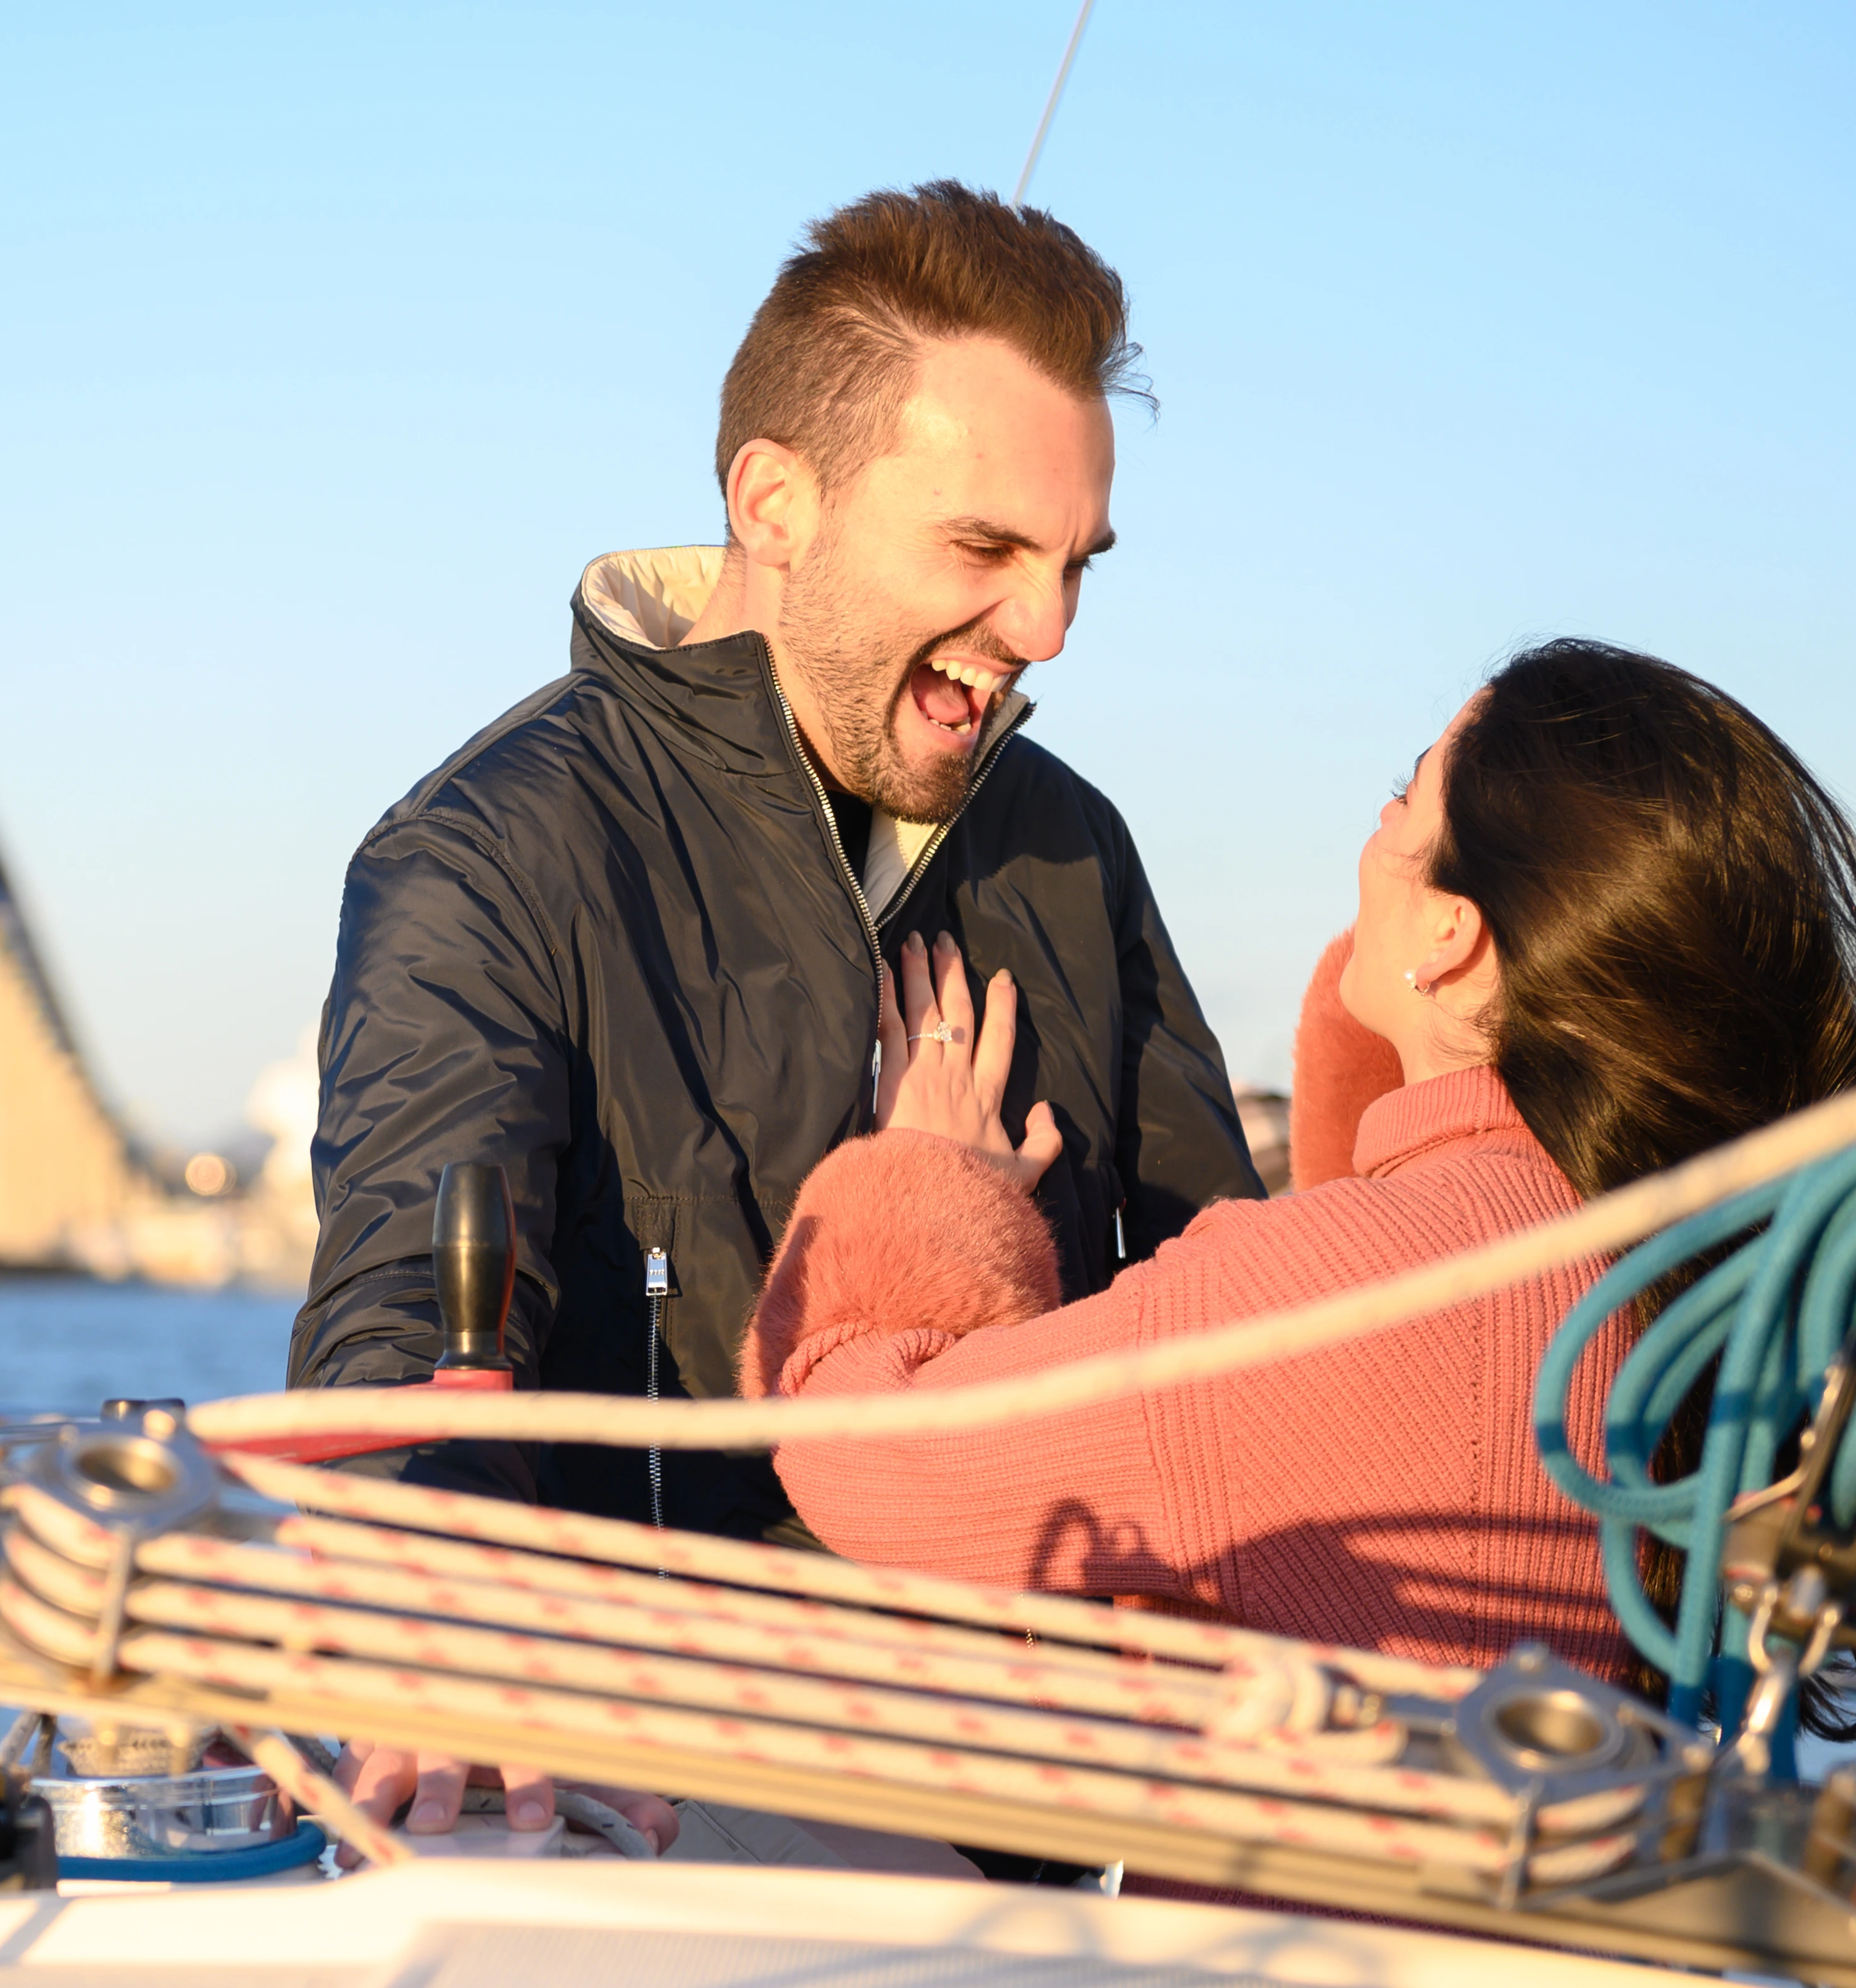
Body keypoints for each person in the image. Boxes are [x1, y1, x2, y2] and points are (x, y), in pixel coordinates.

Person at [297, 180, 1261, 1843]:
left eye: (1073, 564)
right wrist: (420, 1611)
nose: (1045, 632)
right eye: (984, 550)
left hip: (1045, 1840)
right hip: (659, 1811)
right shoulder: (489, 858)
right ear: (776, 503)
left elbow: (1228, 1334)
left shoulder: (1073, 852)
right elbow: (404, 1321)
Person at [748, 640, 1856, 1730]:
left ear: (1455, 930)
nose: (1371, 834)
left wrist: (928, 1181)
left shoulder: (1317, 1301)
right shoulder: (1679, 1258)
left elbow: (858, 1460)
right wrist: (1395, 1042)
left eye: (1404, 797)